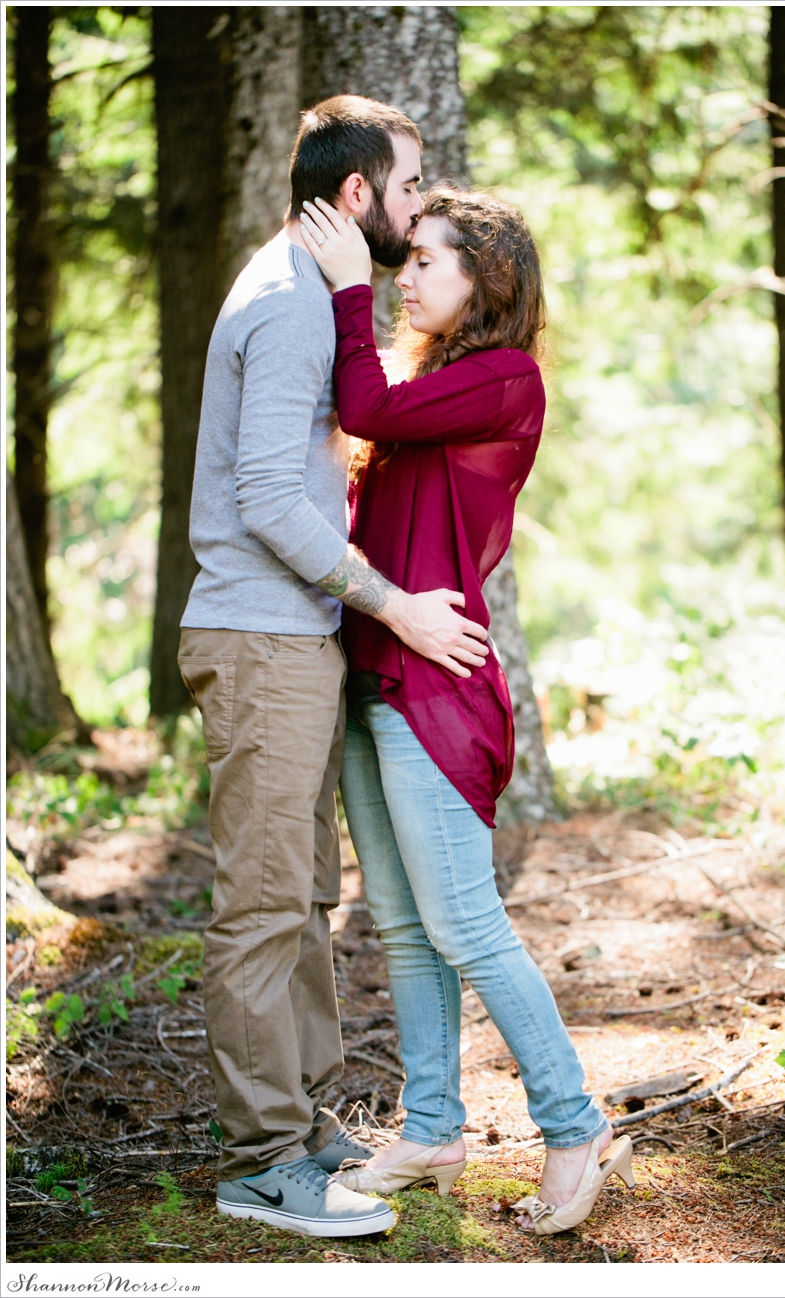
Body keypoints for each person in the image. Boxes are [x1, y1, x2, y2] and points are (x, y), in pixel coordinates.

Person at [178, 97, 490, 1239]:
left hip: (293, 638)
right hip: (260, 635)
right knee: (264, 902)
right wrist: (392, 600)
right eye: (408, 187)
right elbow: (265, 498)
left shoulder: (318, 294)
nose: (420, 207)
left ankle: (302, 1124)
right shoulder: (287, 301)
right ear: (355, 196)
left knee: (304, 892)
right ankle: (261, 1161)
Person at [299, 186, 635, 1235]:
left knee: (463, 923)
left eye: (430, 260)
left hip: (435, 686)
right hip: (370, 670)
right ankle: (435, 1123)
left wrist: (349, 294)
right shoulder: (433, 373)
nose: (407, 272)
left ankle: (574, 1125)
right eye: (406, 260)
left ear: (485, 281)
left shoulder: (502, 377)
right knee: (402, 924)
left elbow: (368, 411)